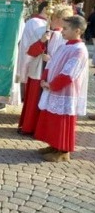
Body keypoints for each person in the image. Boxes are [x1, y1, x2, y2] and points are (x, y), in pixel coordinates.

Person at [34, 15, 89, 162]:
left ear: (77, 31)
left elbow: (69, 73)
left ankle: (63, 151)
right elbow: (52, 63)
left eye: (65, 28)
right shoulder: (65, 45)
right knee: (53, 119)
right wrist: (44, 78)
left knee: (63, 121)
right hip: (53, 88)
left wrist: (52, 85)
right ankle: (54, 145)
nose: (62, 31)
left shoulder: (79, 50)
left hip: (65, 92)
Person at [16, 1, 50, 135]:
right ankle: (29, 125)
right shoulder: (35, 23)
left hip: (46, 67)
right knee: (33, 98)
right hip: (35, 64)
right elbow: (27, 46)